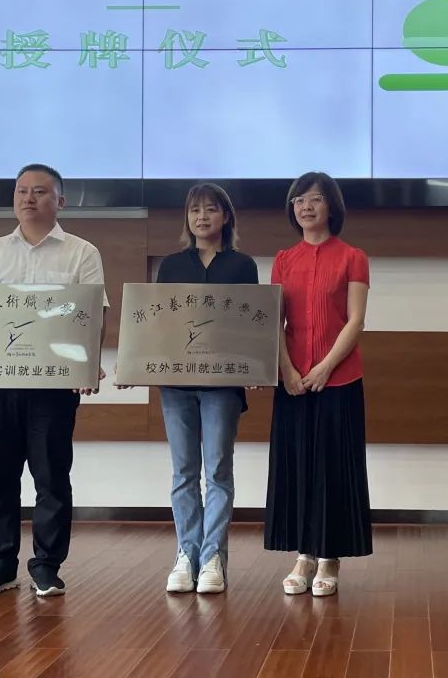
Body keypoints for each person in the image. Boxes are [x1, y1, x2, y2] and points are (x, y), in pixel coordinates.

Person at [0, 163, 107, 599]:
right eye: (22, 191)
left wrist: (86, 365)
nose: (29, 198)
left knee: (51, 477)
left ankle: (46, 565)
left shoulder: (81, 252)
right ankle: (0, 565)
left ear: (60, 200)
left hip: (54, 385)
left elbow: (93, 314)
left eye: (40, 191)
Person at [264, 172, 372, 598]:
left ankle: (330, 557)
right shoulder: (283, 259)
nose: (306, 207)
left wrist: (325, 367)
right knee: (298, 468)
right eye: (299, 201)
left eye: (315, 199)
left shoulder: (353, 257)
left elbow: (356, 320)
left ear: (331, 207)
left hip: (339, 378)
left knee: (333, 468)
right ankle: (304, 555)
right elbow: (273, 321)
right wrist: (287, 370)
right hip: (292, 380)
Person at [155, 183, 259, 595]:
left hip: (222, 386)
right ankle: (186, 554)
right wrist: (137, 364)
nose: (202, 217)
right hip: (176, 385)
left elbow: (252, 324)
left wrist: (255, 364)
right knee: (183, 472)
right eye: (195, 210)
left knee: (217, 470)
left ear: (226, 216)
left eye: (211, 209)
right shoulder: (170, 266)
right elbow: (158, 325)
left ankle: (213, 557)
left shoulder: (243, 266)